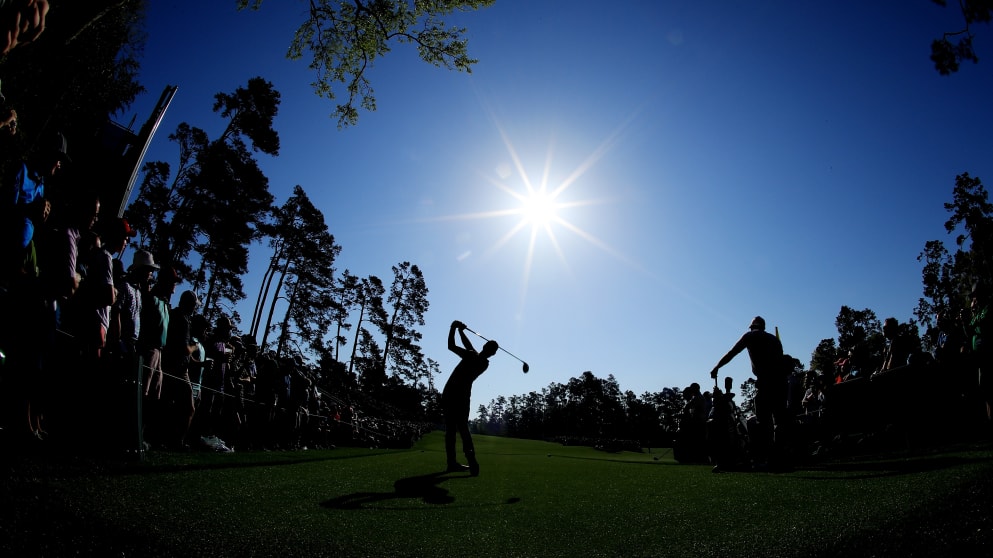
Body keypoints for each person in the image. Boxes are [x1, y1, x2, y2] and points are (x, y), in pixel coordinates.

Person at [711, 316, 790, 470]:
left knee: (763, 421)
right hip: (780, 383)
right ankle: (780, 459)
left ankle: (764, 459)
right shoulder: (774, 340)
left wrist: (717, 367)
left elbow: (732, 353)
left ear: (752, 327)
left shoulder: (750, 336)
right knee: (779, 422)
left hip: (766, 382)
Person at [442, 320, 498, 476]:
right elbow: (469, 347)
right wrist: (461, 331)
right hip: (463, 396)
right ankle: (470, 460)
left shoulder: (472, 356)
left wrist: (454, 328)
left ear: (485, 346)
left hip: (451, 394)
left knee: (451, 430)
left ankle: (452, 463)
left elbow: (451, 346)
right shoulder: (485, 364)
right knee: (463, 428)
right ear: (492, 354)